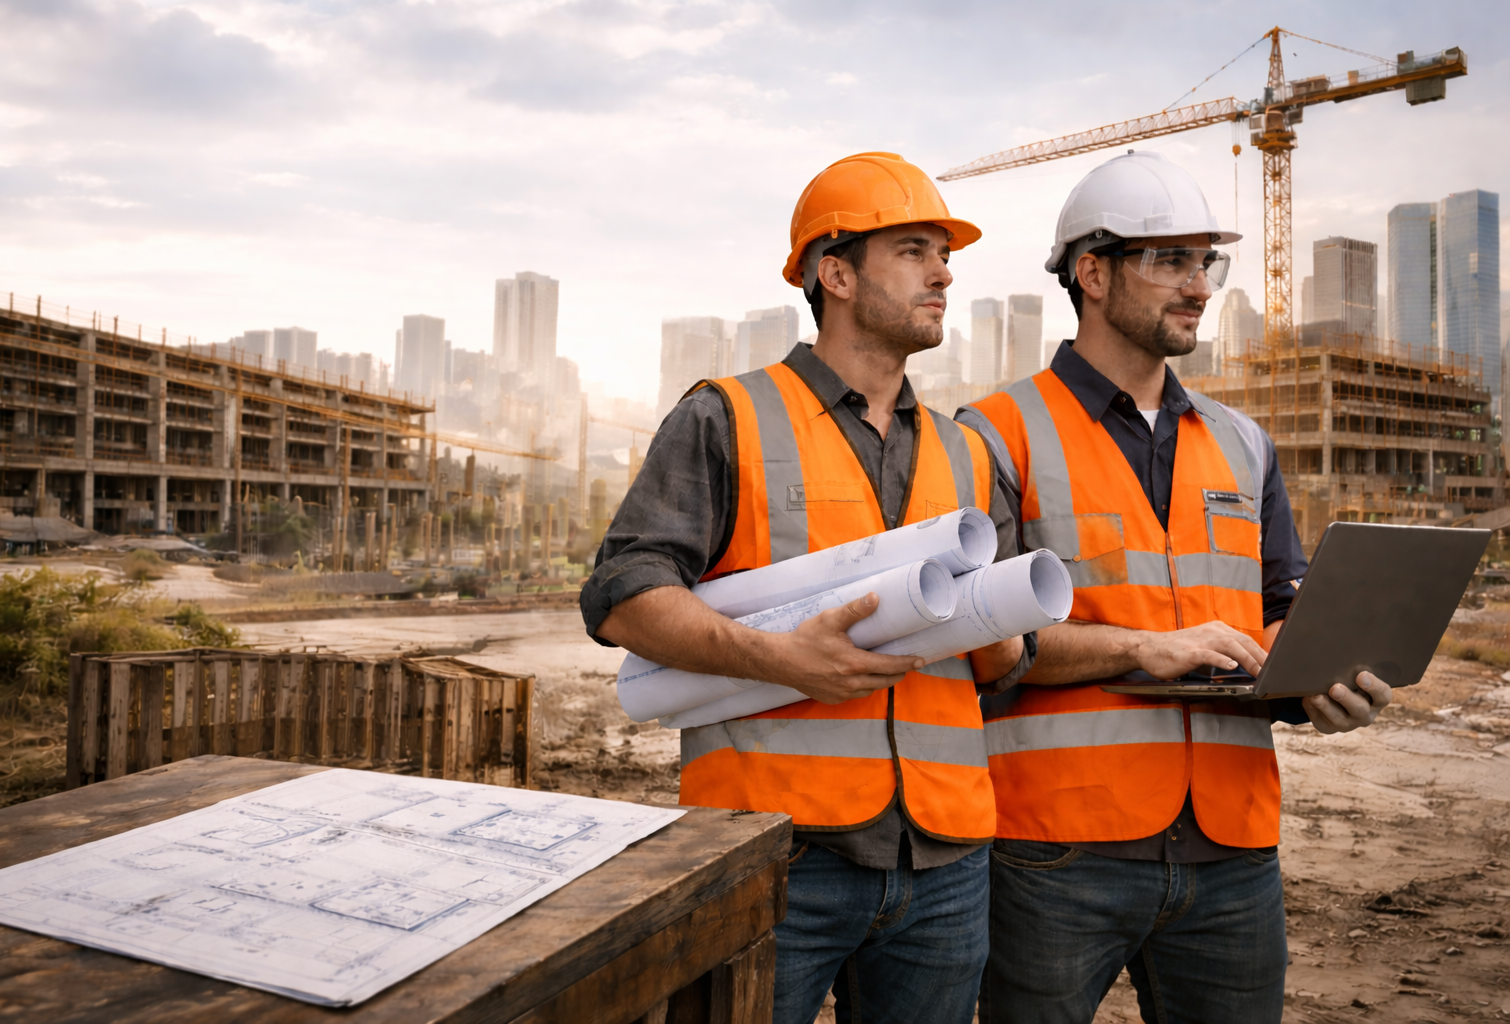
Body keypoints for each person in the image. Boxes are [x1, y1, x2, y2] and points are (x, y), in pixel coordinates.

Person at [583, 152, 1032, 1024]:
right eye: (912, 250)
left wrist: (1002, 630)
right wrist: (781, 659)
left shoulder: (969, 452)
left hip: (945, 861)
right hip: (772, 850)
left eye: (945, 255)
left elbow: (1004, 663)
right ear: (835, 273)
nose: (943, 273)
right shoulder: (728, 415)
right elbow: (624, 594)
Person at [957, 150, 1394, 1024]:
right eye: (1170, 261)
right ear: (1092, 271)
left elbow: (1279, 613)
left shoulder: (1243, 444)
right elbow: (977, 648)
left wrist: (1321, 683)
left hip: (1232, 850)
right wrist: (1141, 648)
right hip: (1056, 849)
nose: (1199, 286)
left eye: (1206, 263)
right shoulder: (995, 434)